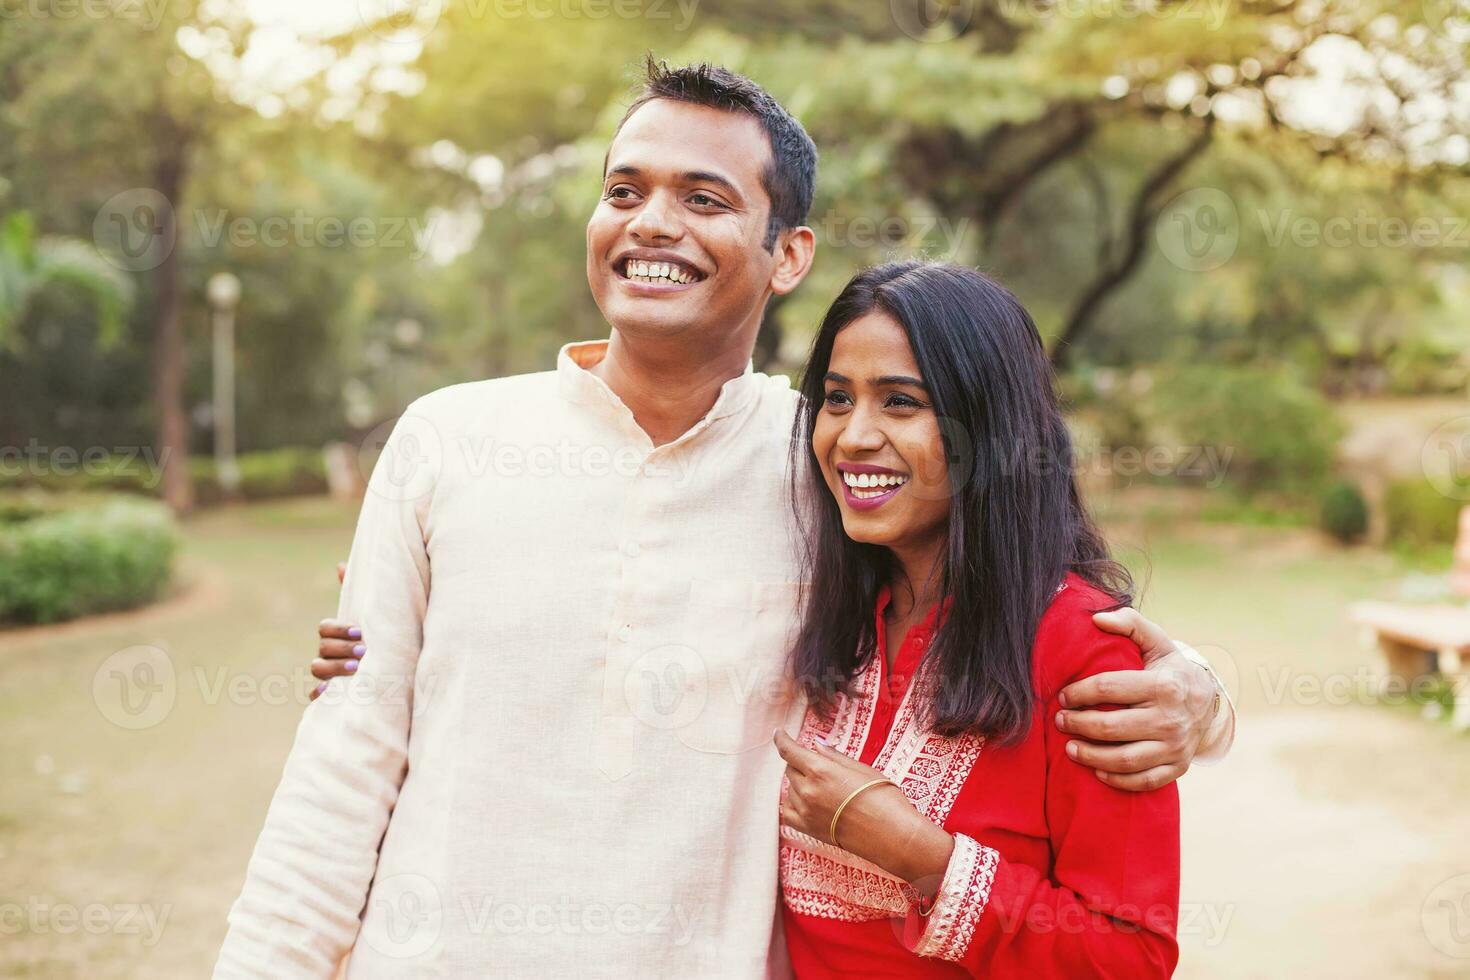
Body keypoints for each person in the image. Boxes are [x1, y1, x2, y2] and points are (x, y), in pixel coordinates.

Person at [218, 59, 1231, 978]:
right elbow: (343, 765)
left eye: (703, 198)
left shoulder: (824, 474)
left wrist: (1201, 691)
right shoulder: (447, 439)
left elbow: (997, 590)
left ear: (787, 253)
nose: (652, 223)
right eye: (625, 191)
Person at [772, 261, 1177, 977]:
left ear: (987, 429)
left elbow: (1131, 955)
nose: (853, 436)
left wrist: (922, 857)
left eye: (900, 402)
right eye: (837, 399)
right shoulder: (828, 618)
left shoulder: (1083, 650)